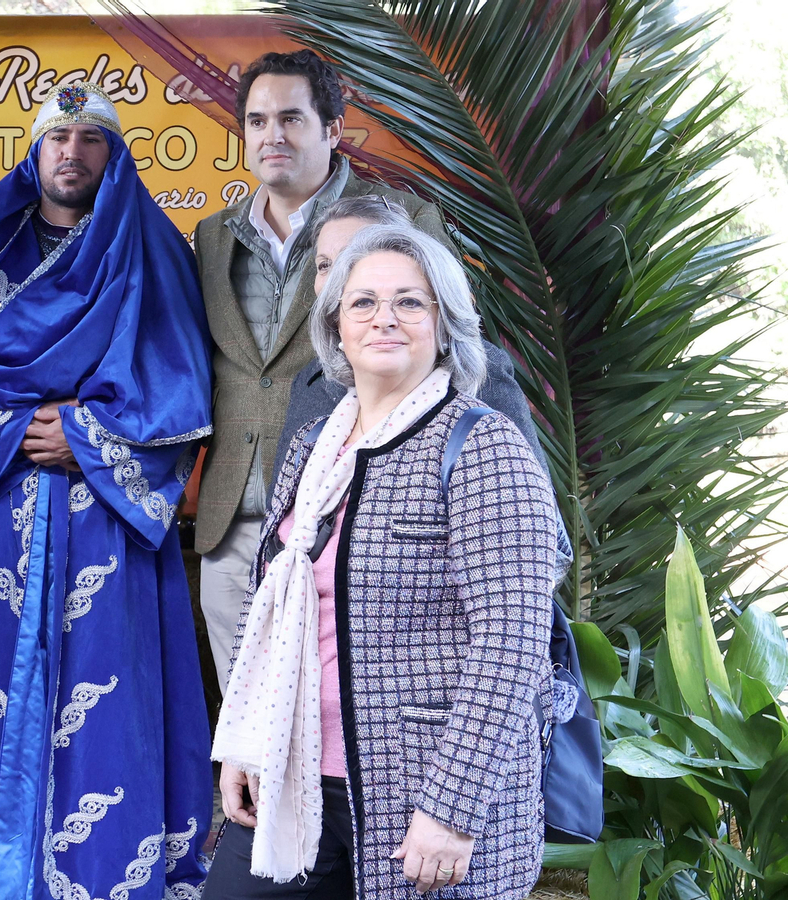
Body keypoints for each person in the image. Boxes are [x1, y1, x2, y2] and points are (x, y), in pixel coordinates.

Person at [0, 82, 213, 900]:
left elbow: (181, 394)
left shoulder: (152, 251)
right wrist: (12, 434)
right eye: (56, 138)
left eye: (90, 138)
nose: (70, 152)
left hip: (104, 520)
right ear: (33, 153)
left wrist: (83, 437)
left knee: (109, 706)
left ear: (115, 155)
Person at [206, 224, 558, 899]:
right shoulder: (315, 442)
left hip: (420, 797)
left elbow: (512, 645)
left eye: (409, 302)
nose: (384, 319)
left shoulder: (484, 446)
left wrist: (452, 810)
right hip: (295, 773)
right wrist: (244, 744)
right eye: (363, 302)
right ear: (335, 325)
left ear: (446, 323)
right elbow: (268, 607)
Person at [192, 49, 455, 694]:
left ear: (333, 131)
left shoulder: (398, 221)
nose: (271, 137)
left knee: (342, 727)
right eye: (256, 121)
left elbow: (444, 353)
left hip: (350, 517)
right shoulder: (213, 236)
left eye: (291, 118)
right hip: (234, 521)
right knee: (249, 727)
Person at [274, 196, 548, 483]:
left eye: (354, 257)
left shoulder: (478, 368)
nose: (338, 278)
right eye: (325, 265)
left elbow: (527, 497)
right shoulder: (310, 379)